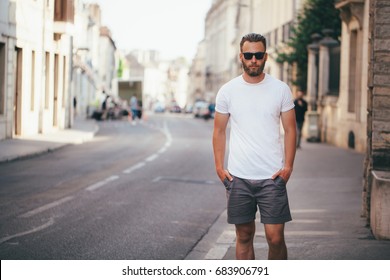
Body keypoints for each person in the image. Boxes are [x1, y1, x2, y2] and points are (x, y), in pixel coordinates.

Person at [212, 33, 297, 260]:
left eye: (258, 55)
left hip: (272, 176)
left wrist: (288, 167)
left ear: (265, 56)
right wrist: (220, 168)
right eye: (248, 55)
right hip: (239, 177)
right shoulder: (228, 91)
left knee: (275, 237)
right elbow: (219, 131)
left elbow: (290, 130)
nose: (253, 60)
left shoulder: (280, 89)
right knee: (244, 235)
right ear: (241, 56)